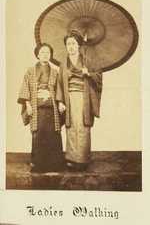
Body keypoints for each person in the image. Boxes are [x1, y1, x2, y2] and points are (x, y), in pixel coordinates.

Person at [56, 30, 103, 172]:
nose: (70, 46)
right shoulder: (63, 64)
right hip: (69, 98)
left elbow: (99, 77)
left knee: (83, 126)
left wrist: (88, 73)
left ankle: (83, 159)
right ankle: (71, 158)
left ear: (79, 46)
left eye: (73, 43)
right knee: (70, 127)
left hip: (83, 97)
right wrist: (60, 102)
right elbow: (59, 84)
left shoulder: (88, 62)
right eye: (68, 43)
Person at [18, 42, 63, 172]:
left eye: (48, 52)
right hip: (36, 107)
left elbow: (59, 89)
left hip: (51, 106)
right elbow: (25, 88)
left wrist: (58, 101)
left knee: (54, 133)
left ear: (51, 55)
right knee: (38, 133)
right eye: (42, 52)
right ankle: (38, 162)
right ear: (37, 54)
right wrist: (28, 105)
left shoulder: (54, 72)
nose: (45, 55)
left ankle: (55, 163)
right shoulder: (30, 71)